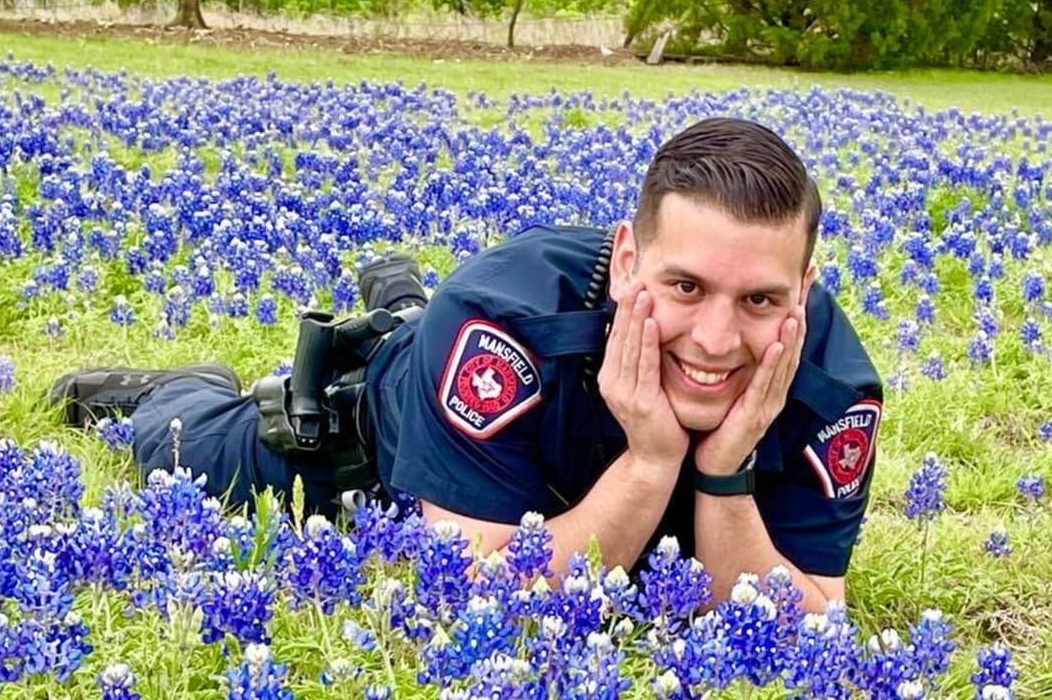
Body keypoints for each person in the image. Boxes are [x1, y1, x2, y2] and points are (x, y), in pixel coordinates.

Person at [49, 117, 883, 611]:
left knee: (428, 330)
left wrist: (725, 474)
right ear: (627, 262)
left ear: (805, 288)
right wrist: (655, 460)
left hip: (553, 468)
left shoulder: (833, 387)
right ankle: (185, 389)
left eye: (761, 301)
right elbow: (484, 590)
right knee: (179, 452)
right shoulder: (500, 326)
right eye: (686, 286)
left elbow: (806, 618)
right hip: (381, 444)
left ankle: (402, 303)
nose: (713, 338)